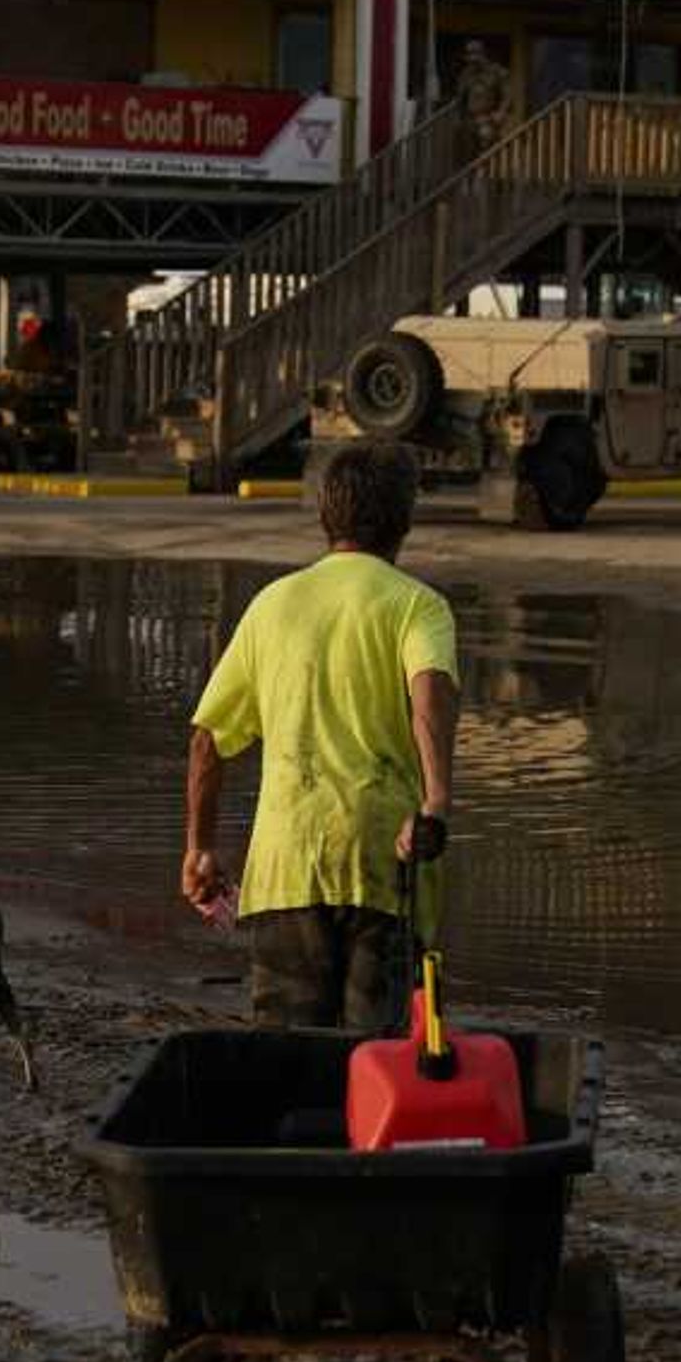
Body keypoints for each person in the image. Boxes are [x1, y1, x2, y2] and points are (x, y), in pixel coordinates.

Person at [181, 439, 458, 1029]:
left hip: (286, 871)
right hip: (382, 866)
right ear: (403, 522)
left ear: (326, 517)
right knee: (374, 1064)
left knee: (286, 1065)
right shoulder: (418, 607)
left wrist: (200, 848)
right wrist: (435, 801)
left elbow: (208, 737)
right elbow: (428, 690)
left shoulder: (270, 606)